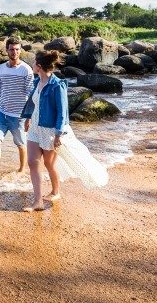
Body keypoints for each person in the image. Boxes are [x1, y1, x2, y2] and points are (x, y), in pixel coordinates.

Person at [20, 50, 109, 211]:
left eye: (34, 62)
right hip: (34, 128)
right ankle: (38, 201)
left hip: (50, 130)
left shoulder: (57, 85)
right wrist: (28, 118)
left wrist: (58, 134)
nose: (32, 65)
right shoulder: (36, 82)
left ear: (39, 66)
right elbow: (34, 104)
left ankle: (55, 191)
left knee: (49, 164)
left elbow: (62, 112)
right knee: (33, 162)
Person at [0, 37, 34, 182]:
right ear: (6, 50)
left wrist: (29, 117)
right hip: (2, 113)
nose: (14, 52)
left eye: (17, 49)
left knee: (21, 145)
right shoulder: (1, 68)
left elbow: (31, 95)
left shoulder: (26, 70)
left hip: (18, 116)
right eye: (11, 49)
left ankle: (22, 169)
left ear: (20, 51)